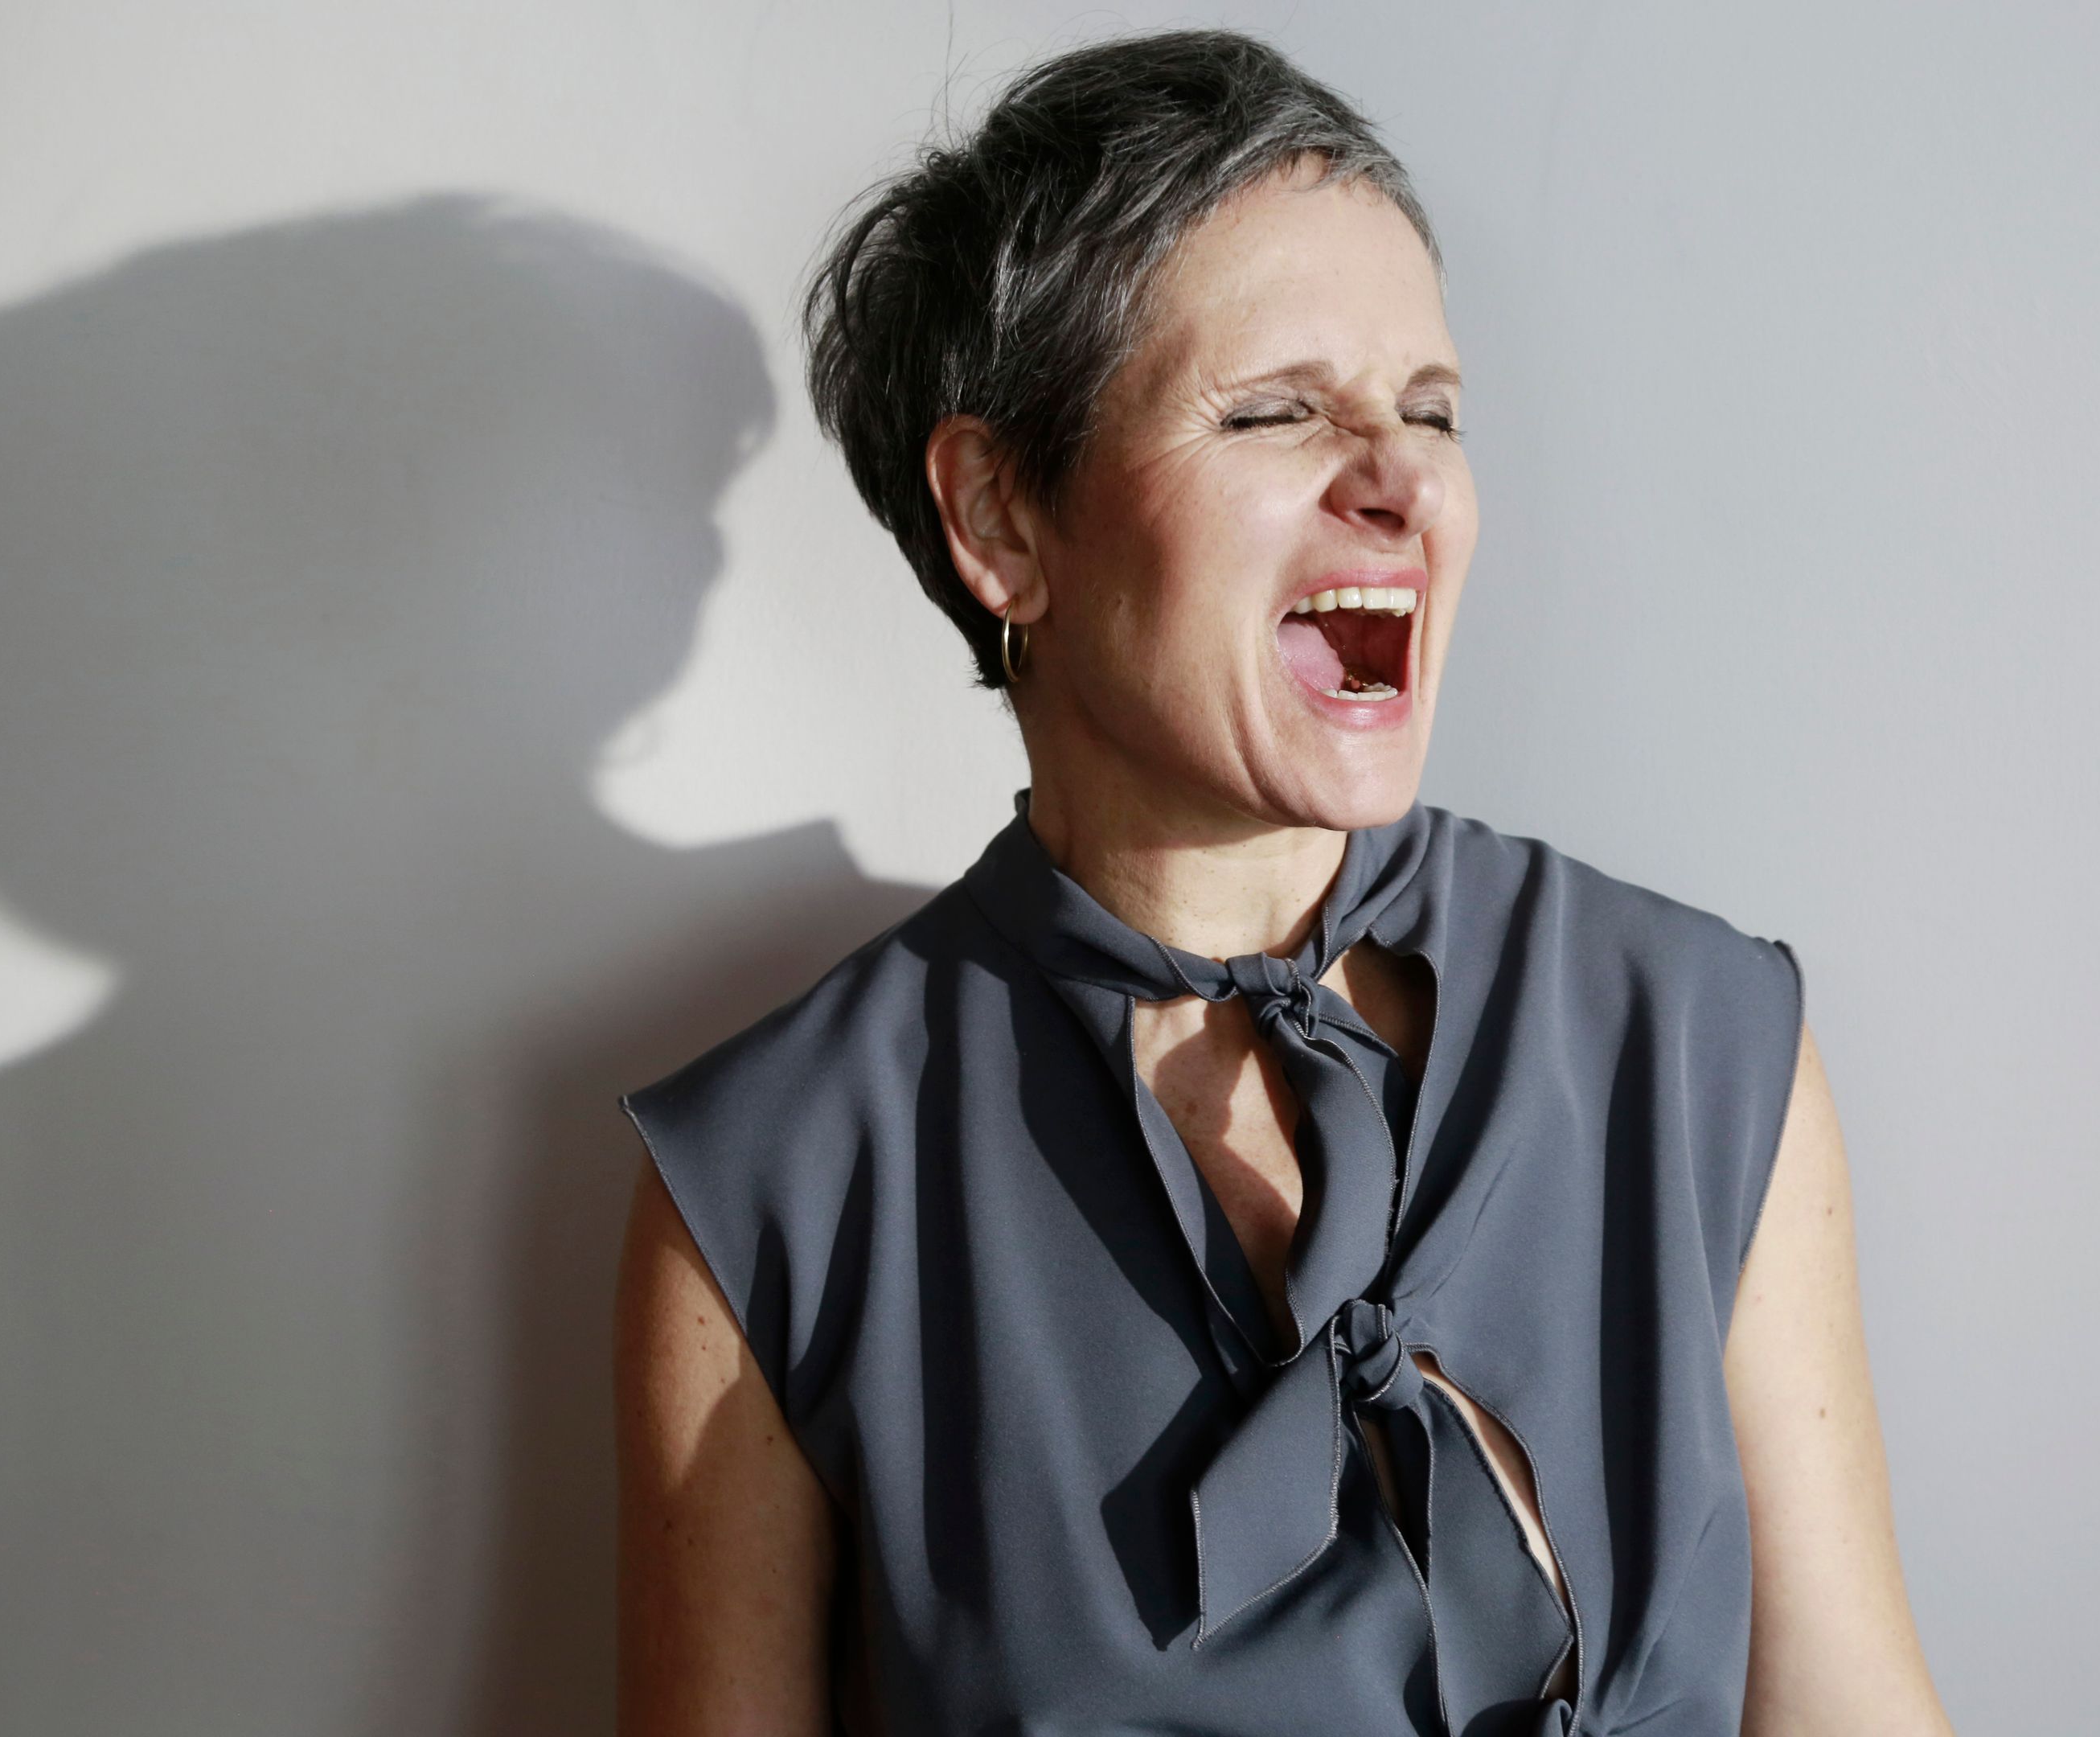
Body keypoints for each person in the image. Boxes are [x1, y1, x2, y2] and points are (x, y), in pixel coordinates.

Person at [614, 28, 1954, 1736]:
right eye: (1275, 412)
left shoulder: (1698, 1042)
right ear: (1002, 519)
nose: (1403, 483)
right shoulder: (774, 1186)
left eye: (1431, 411)